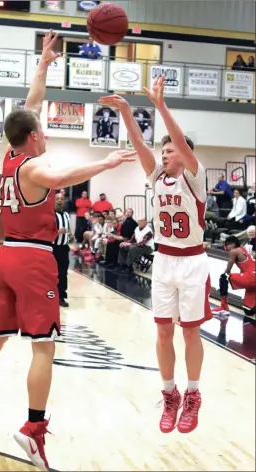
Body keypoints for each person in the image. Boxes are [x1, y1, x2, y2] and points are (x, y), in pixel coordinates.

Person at [0, 30, 136, 471]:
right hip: (32, 259)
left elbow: (31, 102)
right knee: (43, 348)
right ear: (32, 137)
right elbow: (64, 176)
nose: (45, 130)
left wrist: (45, 63)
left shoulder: (11, 155)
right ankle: (33, 430)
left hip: (4, 258)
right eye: (43, 129)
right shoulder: (34, 167)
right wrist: (106, 163)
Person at [99, 75, 212, 434]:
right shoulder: (155, 177)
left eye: (170, 150)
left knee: (190, 334)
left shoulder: (195, 177)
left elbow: (178, 138)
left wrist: (161, 106)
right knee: (163, 332)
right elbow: (139, 144)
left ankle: (194, 395)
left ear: (186, 155)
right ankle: (170, 395)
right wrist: (130, 114)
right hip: (164, 259)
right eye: (162, 151)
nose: (164, 154)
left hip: (192, 261)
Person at [212, 236, 256, 317]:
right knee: (248, 311)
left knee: (223, 277)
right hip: (253, 277)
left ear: (233, 244)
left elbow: (228, 269)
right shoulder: (244, 249)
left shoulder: (234, 251)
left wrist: (226, 274)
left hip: (251, 278)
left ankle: (224, 307)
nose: (227, 247)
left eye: (228, 245)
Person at [53, 192, 73, 308]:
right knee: (50, 274)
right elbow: (44, 233)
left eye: (62, 199)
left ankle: (61, 296)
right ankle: (49, 296)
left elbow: (68, 229)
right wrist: (57, 232)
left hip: (64, 248)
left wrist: (70, 235)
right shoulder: (50, 214)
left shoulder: (66, 215)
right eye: (57, 199)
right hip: (52, 248)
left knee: (63, 273)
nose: (60, 200)